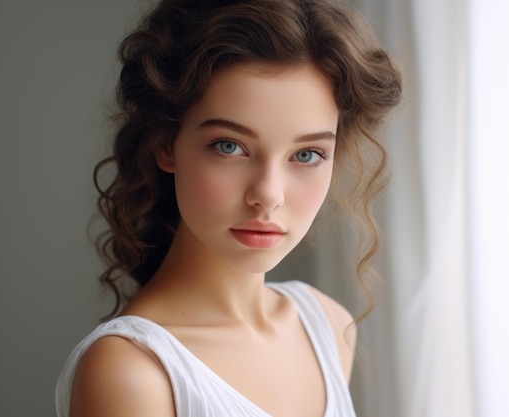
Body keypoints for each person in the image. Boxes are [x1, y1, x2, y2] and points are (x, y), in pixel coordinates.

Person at [56, 0, 402, 416]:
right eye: (230, 146)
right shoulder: (132, 374)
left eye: (307, 154)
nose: (268, 194)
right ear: (166, 143)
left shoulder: (327, 327)